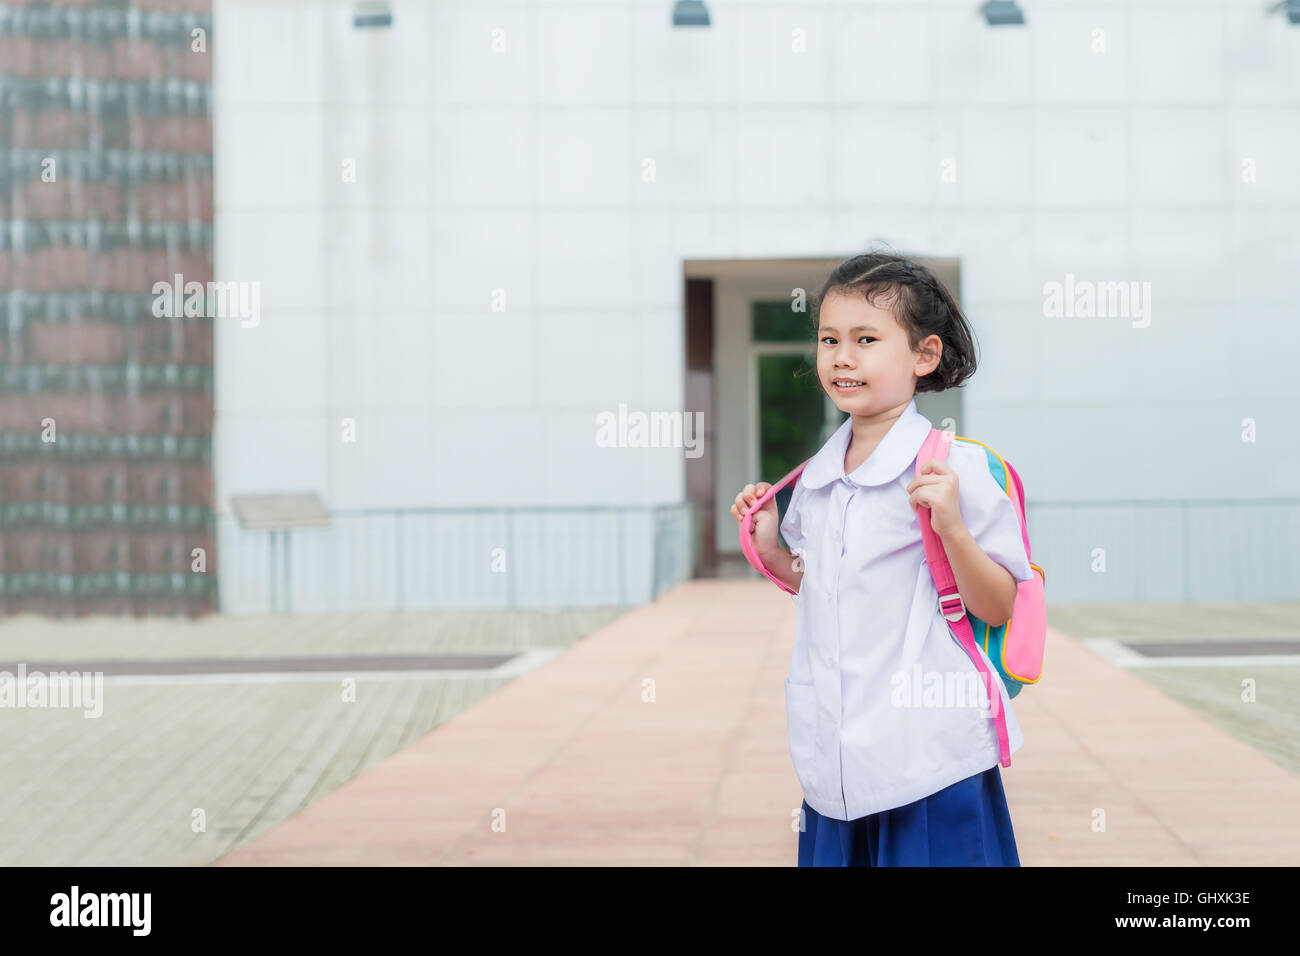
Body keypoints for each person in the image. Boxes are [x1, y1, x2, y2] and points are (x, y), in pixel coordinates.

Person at [731, 253, 1036, 866]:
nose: (842, 357)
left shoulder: (957, 468)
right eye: (829, 340)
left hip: (930, 763)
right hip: (836, 764)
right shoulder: (814, 482)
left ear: (924, 355)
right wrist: (770, 546)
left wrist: (951, 526)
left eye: (866, 340)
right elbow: (821, 584)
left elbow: (998, 604)